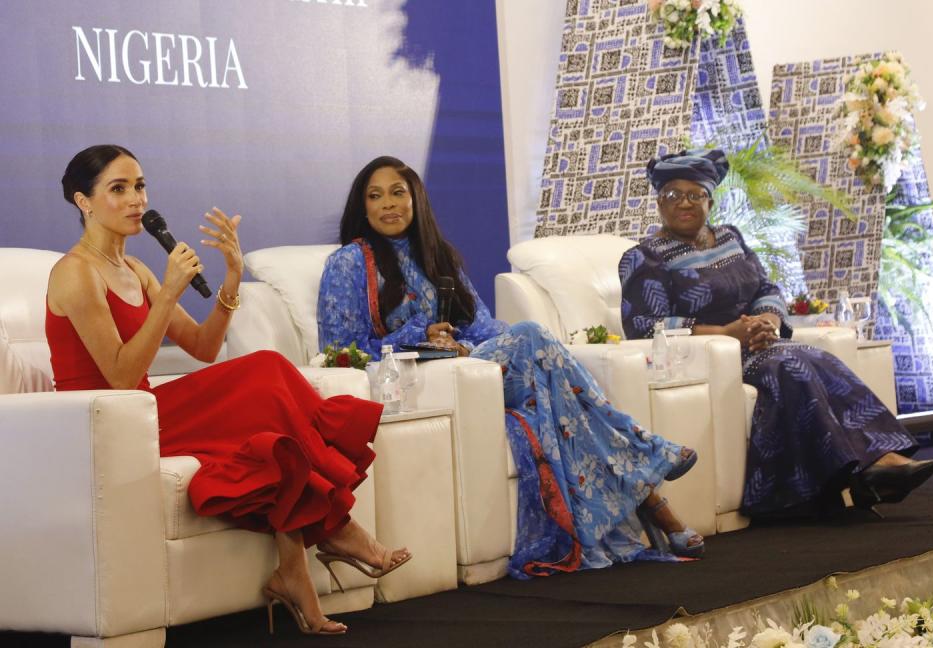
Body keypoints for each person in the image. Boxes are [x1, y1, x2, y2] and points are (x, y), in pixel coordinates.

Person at [47, 145, 411, 636]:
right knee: (265, 374)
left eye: (139, 186)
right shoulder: (75, 272)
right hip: (103, 423)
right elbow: (116, 374)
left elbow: (202, 345)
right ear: (83, 202)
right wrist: (171, 293)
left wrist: (232, 278)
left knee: (270, 387)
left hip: (141, 410)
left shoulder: (136, 271)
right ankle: (336, 531)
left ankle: (294, 571)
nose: (136, 200)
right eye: (118, 189)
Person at [318, 156, 704, 577]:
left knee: (551, 391)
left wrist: (460, 345)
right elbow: (341, 350)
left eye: (398, 193)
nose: (388, 204)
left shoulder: (438, 256)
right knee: (531, 335)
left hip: (470, 370)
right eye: (375, 196)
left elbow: (484, 326)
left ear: (416, 200)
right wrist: (416, 335)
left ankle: (652, 495)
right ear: (363, 204)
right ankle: (650, 474)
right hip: (417, 379)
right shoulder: (350, 262)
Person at [618, 149, 933, 518]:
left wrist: (768, 319)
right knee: (792, 365)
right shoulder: (644, 258)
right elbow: (643, 326)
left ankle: (877, 462)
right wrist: (724, 333)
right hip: (704, 357)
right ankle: (862, 472)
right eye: (673, 195)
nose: (684, 203)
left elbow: (766, 287)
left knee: (816, 356)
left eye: (695, 194)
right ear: (659, 202)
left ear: (711, 199)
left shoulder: (729, 238)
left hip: (758, 343)